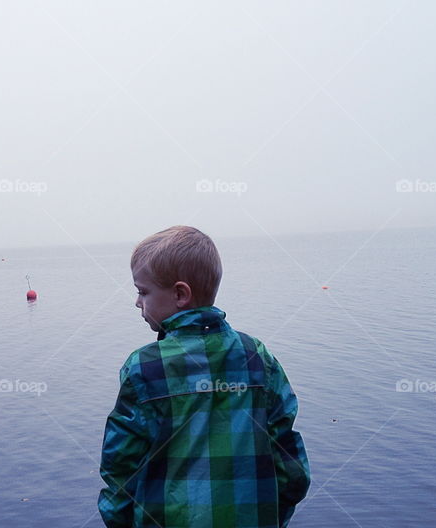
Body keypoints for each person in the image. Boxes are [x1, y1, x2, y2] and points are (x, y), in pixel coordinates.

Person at [99, 226, 310, 527]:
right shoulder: (258, 357)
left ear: (180, 294)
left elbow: (120, 467)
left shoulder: (144, 367)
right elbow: (291, 468)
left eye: (142, 291)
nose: (137, 302)